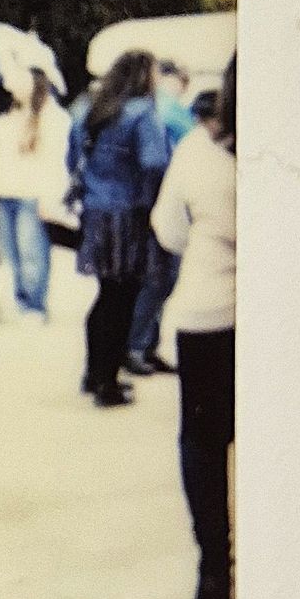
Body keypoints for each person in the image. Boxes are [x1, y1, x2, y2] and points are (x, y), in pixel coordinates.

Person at [151, 56, 236, 599]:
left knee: (203, 444)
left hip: (209, 312)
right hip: (282, 316)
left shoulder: (199, 151)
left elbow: (169, 228)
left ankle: (213, 565)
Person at [67, 50, 170, 407]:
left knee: (105, 296)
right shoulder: (141, 112)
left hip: (95, 212)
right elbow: (154, 161)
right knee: (123, 299)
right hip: (128, 214)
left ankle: (94, 373)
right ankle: (107, 383)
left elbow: (72, 158)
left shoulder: (90, 109)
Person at [0, 64, 71, 320]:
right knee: (10, 249)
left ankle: (34, 303)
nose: (10, 85)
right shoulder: (16, 113)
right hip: (6, 189)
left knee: (31, 249)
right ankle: (21, 298)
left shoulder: (53, 117)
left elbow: (56, 161)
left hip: (33, 193)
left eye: (17, 80)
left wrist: (51, 196)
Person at [126, 59, 196, 375]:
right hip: (162, 201)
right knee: (160, 278)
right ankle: (137, 346)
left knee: (157, 278)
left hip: (148, 203)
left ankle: (145, 344)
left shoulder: (146, 107)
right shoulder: (165, 108)